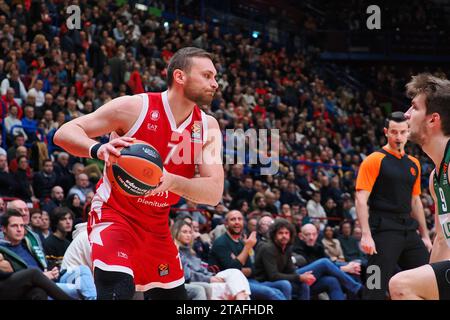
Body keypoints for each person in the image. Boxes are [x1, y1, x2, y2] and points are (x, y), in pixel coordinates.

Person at [54, 47, 224, 300]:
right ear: (180, 76)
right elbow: (65, 133)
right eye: (207, 75)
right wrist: (98, 148)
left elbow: (213, 193)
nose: (215, 83)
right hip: (115, 215)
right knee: (117, 289)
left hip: (157, 226)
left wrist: (171, 181)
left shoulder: (207, 127)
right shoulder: (135, 107)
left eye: (215, 77)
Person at [355, 111, 431, 299]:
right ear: (386, 132)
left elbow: (415, 201)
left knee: (430, 278)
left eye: (403, 132)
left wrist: (425, 236)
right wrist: (366, 235)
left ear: (408, 132)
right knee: (374, 287)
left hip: (408, 230)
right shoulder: (374, 160)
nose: (399, 137)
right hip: (382, 231)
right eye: (394, 132)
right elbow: (360, 199)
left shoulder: (413, 163)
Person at [389, 74, 450, 300]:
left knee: (402, 284)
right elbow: (443, 240)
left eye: (414, 107)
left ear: (433, 119)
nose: (405, 114)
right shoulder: (437, 178)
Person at [208, 210, 290, 300]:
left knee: (284, 285)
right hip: (232, 283)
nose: (237, 222)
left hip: (250, 280)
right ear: (226, 223)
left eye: (239, 219)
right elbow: (233, 270)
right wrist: (248, 247)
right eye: (233, 219)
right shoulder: (221, 243)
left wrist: (241, 264)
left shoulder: (241, 242)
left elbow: (252, 269)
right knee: (271, 293)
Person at [172, 220, 251, 300]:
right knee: (237, 288)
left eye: (190, 232)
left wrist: (211, 276)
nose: (188, 235)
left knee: (235, 273)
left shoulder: (191, 252)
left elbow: (203, 269)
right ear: (176, 233)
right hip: (198, 282)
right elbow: (187, 275)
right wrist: (209, 279)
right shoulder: (176, 252)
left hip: (208, 277)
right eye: (184, 232)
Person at [254, 218, 313, 300]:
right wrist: (299, 277)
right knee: (285, 284)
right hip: (262, 282)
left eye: (286, 233)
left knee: (304, 284)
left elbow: (290, 271)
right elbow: (273, 276)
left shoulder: (287, 248)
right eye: (280, 233)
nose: (284, 236)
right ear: (274, 235)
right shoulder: (268, 248)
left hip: (277, 280)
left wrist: (302, 277)